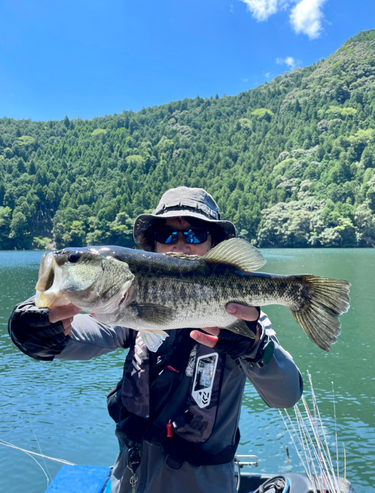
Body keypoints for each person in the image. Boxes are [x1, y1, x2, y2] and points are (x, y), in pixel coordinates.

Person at [8, 186, 303, 493]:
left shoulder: (244, 321)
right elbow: (70, 339)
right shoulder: (126, 313)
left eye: (195, 235)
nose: (180, 245)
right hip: (131, 482)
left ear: (215, 244)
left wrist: (255, 347)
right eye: (166, 235)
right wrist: (37, 330)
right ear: (152, 247)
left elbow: (287, 395)